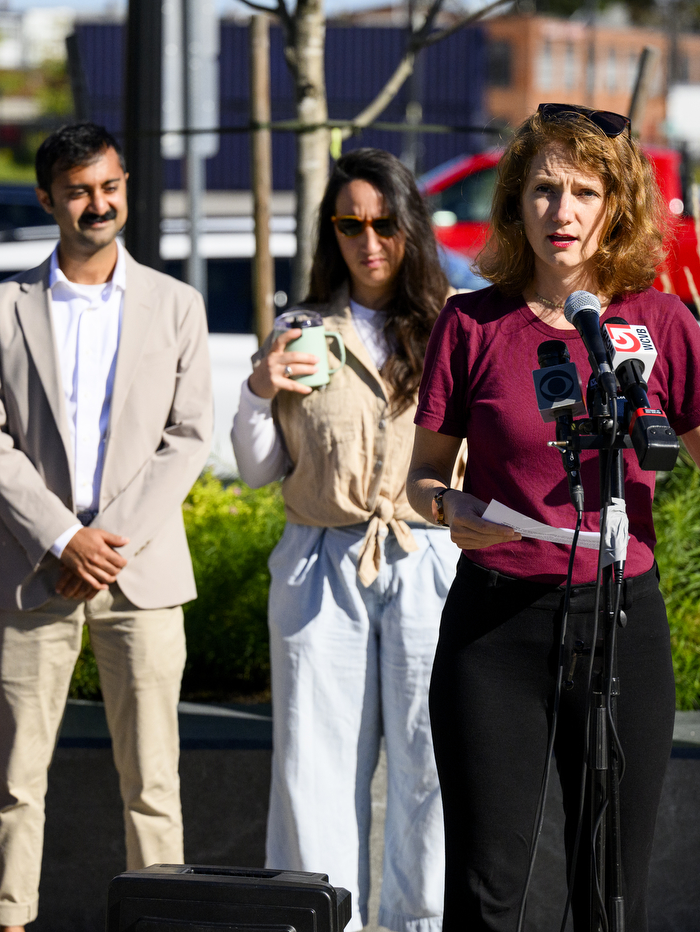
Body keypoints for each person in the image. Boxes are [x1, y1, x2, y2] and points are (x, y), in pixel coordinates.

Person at [405, 103, 700, 932]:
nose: (563, 212)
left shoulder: (659, 323)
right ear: (516, 203)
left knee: (609, 884)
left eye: (584, 192)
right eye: (545, 190)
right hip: (496, 628)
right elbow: (419, 479)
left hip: (622, 622)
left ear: (616, 207)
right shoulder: (472, 322)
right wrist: (450, 508)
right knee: (487, 886)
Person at [0, 122, 213, 931]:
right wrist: (64, 537)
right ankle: (8, 920)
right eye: (77, 190)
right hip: (35, 574)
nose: (96, 204)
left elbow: (190, 436)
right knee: (14, 778)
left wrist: (106, 544)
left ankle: (161, 920)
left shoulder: (177, 304)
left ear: (126, 186)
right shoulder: (0, 307)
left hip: (142, 577)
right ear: (48, 198)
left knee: (154, 780)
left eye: (109, 186)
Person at [233, 147, 459, 932]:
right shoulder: (299, 327)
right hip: (320, 555)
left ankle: (419, 924)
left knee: (430, 765)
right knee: (314, 764)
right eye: (350, 223)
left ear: (410, 228)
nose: (369, 241)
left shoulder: (453, 325)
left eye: (385, 223)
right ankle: (321, 923)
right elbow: (259, 466)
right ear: (331, 230)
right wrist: (258, 389)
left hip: (426, 554)